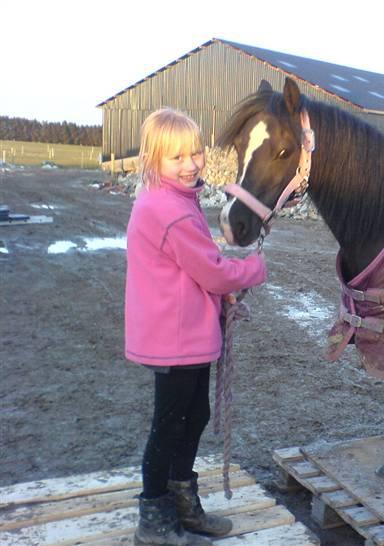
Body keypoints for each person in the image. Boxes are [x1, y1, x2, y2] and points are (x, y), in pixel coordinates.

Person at [125, 108, 267, 545]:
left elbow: (192, 267)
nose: (190, 164)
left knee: (194, 416)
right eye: (176, 158)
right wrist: (252, 269)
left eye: (197, 152)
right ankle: (155, 518)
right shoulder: (169, 210)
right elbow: (213, 271)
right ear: (153, 160)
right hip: (176, 336)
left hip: (183, 332)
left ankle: (182, 503)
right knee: (170, 424)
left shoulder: (171, 200)